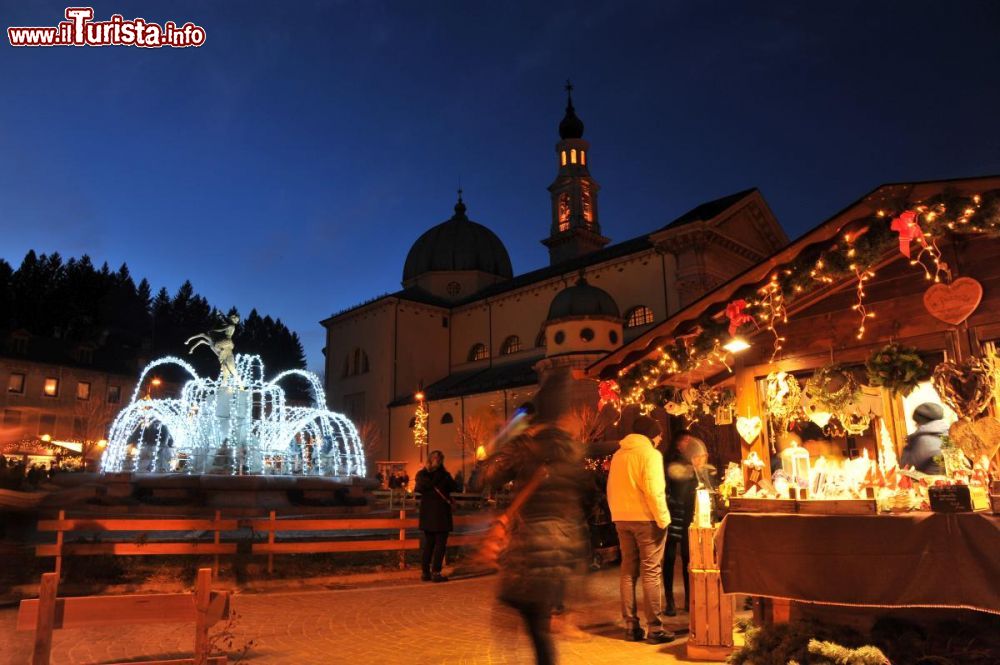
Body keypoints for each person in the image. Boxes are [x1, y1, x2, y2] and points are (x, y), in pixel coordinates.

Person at [478, 369, 589, 665]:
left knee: (512, 618)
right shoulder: (573, 450)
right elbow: (584, 497)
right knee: (538, 627)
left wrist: (502, 440)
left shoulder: (525, 445)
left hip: (528, 551)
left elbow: (488, 476)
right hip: (561, 550)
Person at [607, 415, 674, 644]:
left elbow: (611, 488)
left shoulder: (618, 455)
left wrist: (617, 515)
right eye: (658, 435)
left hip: (621, 518)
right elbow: (654, 490)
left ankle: (631, 626)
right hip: (646, 520)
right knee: (651, 571)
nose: (659, 439)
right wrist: (663, 519)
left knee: (628, 571)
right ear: (651, 435)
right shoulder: (650, 455)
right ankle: (655, 629)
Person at [663, 431, 714, 615]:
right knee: (669, 557)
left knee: (688, 556)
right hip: (672, 514)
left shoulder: (699, 466)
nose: (687, 442)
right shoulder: (673, 464)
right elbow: (676, 479)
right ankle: (669, 600)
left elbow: (707, 488)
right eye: (684, 440)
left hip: (689, 517)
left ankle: (689, 598)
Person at [414, 450, 457, 582]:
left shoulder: (421, 475)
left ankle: (425, 573)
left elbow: (418, 489)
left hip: (427, 515)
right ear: (441, 461)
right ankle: (436, 573)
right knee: (440, 545)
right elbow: (455, 487)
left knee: (429, 544)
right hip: (441, 515)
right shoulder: (444, 476)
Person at [901, 402, 948, 474]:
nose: (915, 425)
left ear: (921, 421)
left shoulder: (925, 440)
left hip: (931, 483)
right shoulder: (946, 433)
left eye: (916, 422)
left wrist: (910, 444)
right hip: (948, 482)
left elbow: (906, 467)